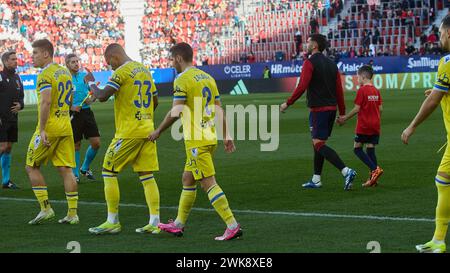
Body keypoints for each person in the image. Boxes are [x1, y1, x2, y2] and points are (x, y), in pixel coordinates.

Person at [149, 42, 242, 241]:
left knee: (208, 183)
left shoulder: (182, 79)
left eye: (171, 59)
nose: (171, 62)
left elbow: (176, 111)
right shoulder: (207, 77)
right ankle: (178, 224)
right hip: (209, 137)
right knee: (187, 178)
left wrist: (158, 131)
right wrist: (226, 135)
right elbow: (219, 109)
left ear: (179, 58)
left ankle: (232, 225)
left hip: (197, 141)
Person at [87, 43, 161, 235]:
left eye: (108, 62)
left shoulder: (122, 71)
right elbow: (155, 100)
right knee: (146, 175)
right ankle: (155, 221)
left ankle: (112, 221)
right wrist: (144, 116)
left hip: (129, 132)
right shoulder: (144, 70)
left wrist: (91, 83)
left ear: (114, 56)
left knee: (108, 171)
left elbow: (102, 96)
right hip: (147, 129)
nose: (109, 66)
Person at [280, 34, 357, 190]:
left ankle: (346, 171)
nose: (306, 44)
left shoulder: (309, 63)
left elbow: (302, 86)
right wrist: (342, 113)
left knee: (319, 144)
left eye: (308, 41)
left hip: (318, 110)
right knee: (318, 142)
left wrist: (287, 103)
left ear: (315, 45)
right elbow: (339, 91)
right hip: (331, 110)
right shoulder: (332, 64)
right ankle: (316, 179)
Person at [401, 15, 450, 253]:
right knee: (443, 181)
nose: (439, 38)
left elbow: (432, 101)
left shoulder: (448, 61)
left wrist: (411, 126)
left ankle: (439, 241)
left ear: (449, 33)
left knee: (443, 182)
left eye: (440, 33)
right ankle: (438, 240)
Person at [25, 39, 79, 225]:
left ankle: (46, 209)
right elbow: (71, 95)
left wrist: (42, 129)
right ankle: (73, 214)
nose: (32, 56)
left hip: (51, 127)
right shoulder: (64, 72)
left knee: (31, 166)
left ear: (46, 53)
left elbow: (46, 102)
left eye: (35, 53)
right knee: (66, 169)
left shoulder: (45, 75)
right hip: (65, 125)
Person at [337, 65, 384, 187]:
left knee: (357, 149)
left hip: (364, 125)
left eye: (358, 77)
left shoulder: (362, 90)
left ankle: (375, 169)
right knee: (370, 148)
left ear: (363, 77)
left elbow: (357, 109)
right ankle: (373, 180)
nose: (357, 79)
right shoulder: (376, 90)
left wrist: (344, 118)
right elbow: (381, 109)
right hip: (375, 124)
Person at [65, 53, 101, 183]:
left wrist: (93, 97)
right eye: (73, 62)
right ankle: (75, 175)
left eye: (77, 61)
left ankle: (84, 168)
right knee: (76, 145)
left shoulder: (84, 77)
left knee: (96, 143)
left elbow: (90, 99)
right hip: (73, 114)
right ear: (67, 64)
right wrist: (70, 107)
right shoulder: (65, 78)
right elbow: (59, 98)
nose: (76, 64)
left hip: (87, 113)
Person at [0, 51, 23, 189]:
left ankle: (6, 181)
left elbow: (21, 96)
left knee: (8, 148)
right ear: (5, 62)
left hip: (13, 119)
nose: (16, 61)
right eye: (13, 59)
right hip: (1, 119)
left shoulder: (17, 78)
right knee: (2, 147)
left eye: (16, 59)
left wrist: (21, 105)